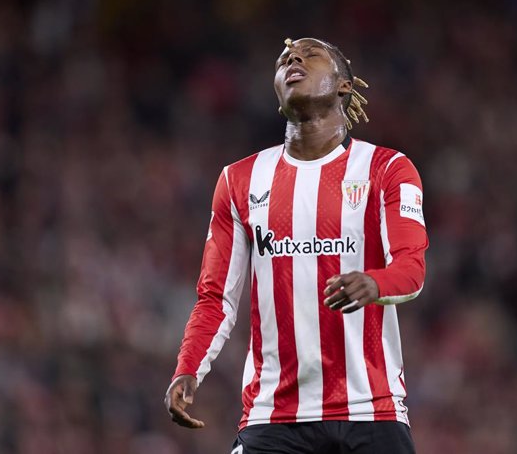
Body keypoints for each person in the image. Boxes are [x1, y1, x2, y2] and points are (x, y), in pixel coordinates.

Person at [164, 37, 429, 454]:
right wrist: (188, 368)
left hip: (370, 412)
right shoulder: (239, 180)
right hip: (273, 417)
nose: (294, 59)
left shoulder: (387, 169)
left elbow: (412, 268)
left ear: (343, 85)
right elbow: (216, 298)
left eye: (310, 54)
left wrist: (375, 283)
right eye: (285, 58)